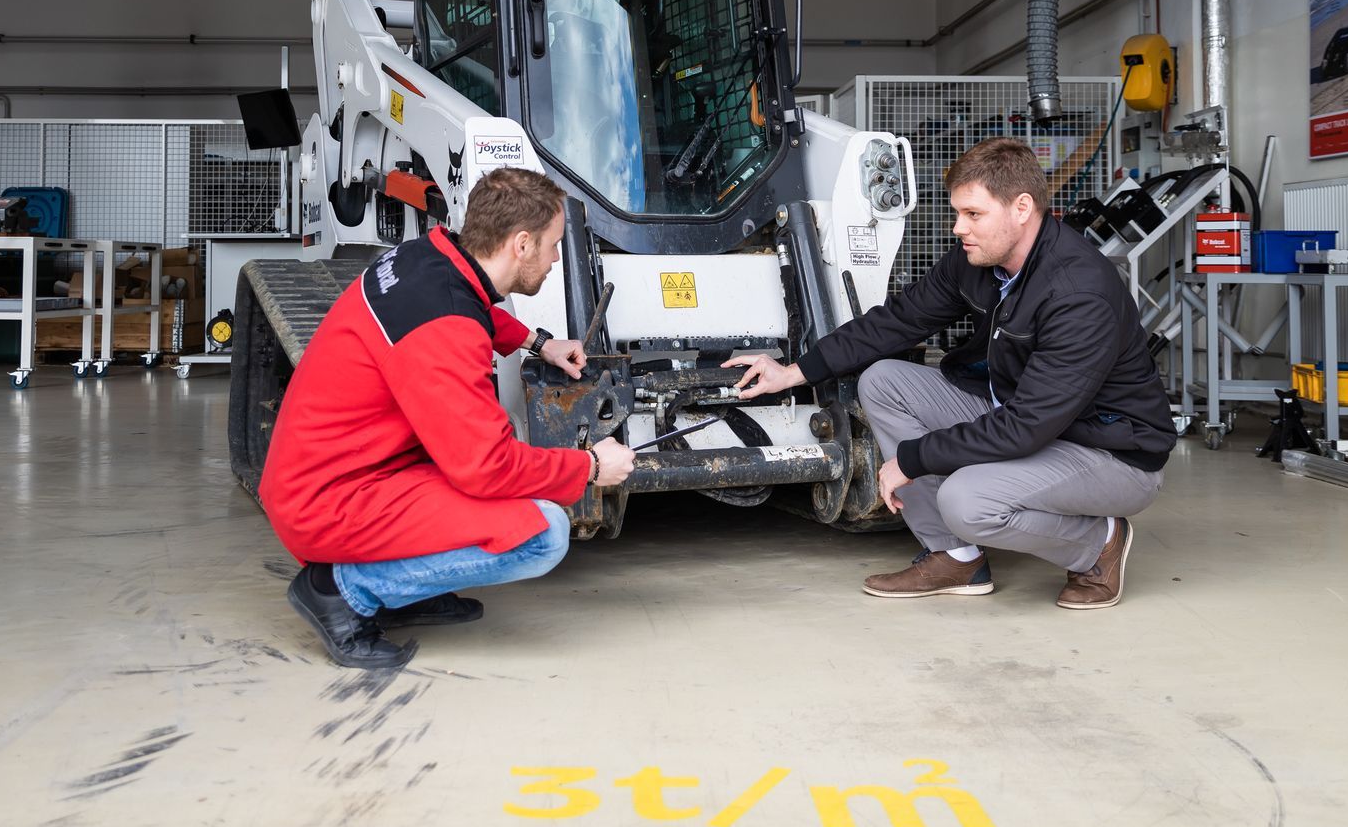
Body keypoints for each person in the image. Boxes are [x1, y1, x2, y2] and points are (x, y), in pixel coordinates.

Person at [725, 137, 1174, 609]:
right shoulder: (979, 260)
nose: (959, 228)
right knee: (884, 381)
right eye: (957, 212)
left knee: (967, 501)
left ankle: (1099, 544)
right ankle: (955, 556)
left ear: (1022, 208)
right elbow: (898, 321)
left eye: (973, 214)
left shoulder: (1078, 294)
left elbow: (1026, 426)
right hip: (1025, 416)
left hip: (1109, 452)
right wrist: (793, 371)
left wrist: (913, 459)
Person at [263, 167, 636, 667]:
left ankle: (406, 590)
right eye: (552, 246)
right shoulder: (446, 332)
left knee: (500, 489)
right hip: (331, 502)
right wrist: (590, 467)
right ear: (522, 244)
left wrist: (538, 343)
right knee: (542, 533)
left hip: (328, 472)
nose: (554, 258)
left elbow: (468, 302)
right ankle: (340, 589)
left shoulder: (424, 257)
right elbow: (487, 466)